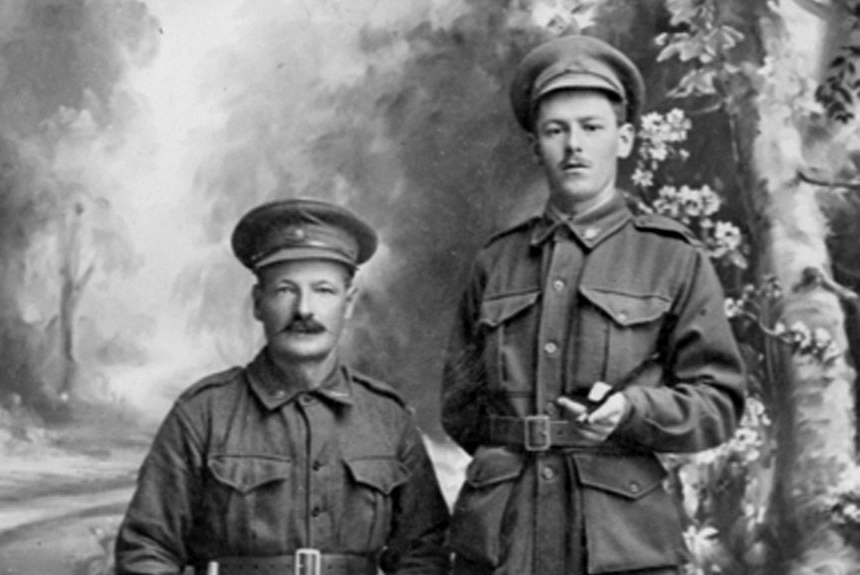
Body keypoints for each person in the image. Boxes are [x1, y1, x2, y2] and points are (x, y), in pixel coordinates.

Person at [441, 34, 746, 575]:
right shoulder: (497, 261)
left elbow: (718, 402)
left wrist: (633, 412)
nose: (573, 146)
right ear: (536, 145)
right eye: (555, 130)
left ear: (624, 139)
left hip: (621, 544)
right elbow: (461, 409)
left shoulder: (670, 257)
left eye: (591, 127)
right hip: (505, 540)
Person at [115, 198, 451, 575]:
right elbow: (147, 550)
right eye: (285, 290)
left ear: (349, 303)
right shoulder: (203, 413)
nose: (304, 309)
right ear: (258, 303)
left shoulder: (387, 419)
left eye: (323, 290)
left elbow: (425, 554)